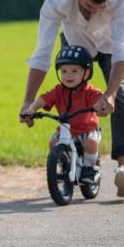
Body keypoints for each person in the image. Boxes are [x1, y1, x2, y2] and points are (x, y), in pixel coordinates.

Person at [19, 0, 124, 197]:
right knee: (67, 90)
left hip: (110, 45)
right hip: (75, 43)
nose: (91, 14)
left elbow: (123, 51)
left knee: (120, 95)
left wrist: (109, 94)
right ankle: (70, 155)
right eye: (86, 7)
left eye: (98, 9)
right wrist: (28, 102)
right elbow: (42, 53)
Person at [23, 45, 103, 184]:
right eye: (64, 71)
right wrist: (32, 108)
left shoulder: (89, 91)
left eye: (74, 71)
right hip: (66, 130)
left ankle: (90, 168)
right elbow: (45, 98)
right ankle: (64, 164)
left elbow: (99, 98)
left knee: (90, 143)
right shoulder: (59, 90)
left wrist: (99, 104)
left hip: (87, 129)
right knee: (53, 142)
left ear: (86, 72)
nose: (68, 75)